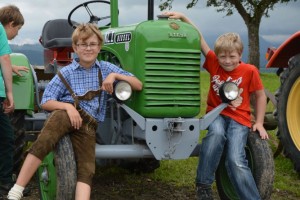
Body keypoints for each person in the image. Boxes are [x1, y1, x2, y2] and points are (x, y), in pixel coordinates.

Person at [7, 23, 143, 200]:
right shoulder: (67, 73)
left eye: (92, 44)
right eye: (83, 44)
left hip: (88, 125)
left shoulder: (106, 69)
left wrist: (116, 76)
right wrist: (68, 107)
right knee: (46, 139)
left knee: (87, 170)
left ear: (99, 47)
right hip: (65, 116)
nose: (88, 48)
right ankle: (17, 189)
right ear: (75, 48)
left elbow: (138, 84)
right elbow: (46, 101)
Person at [163, 12, 268, 200]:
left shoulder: (249, 70)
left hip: (240, 119)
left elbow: (260, 96)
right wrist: (184, 17)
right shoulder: (213, 62)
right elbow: (200, 38)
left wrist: (259, 122)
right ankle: (203, 185)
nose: (227, 61)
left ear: (240, 55)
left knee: (236, 160)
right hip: (216, 114)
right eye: (223, 57)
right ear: (217, 56)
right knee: (217, 135)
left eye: (232, 56)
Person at [0, 5, 28, 198]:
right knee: (7, 138)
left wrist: (12, 66)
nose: (17, 34)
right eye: (17, 29)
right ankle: (5, 184)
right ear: (10, 24)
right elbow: (4, 58)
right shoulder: (0, 30)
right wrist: (10, 92)